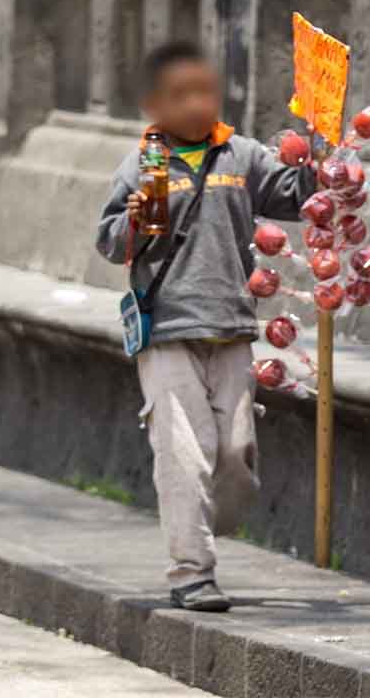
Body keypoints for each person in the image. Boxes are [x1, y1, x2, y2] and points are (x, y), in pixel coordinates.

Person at [95, 41, 318, 611]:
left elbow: (296, 198)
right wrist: (142, 215)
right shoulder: (144, 163)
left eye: (205, 92)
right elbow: (109, 240)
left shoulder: (241, 156)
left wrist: (323, 155)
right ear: (154, 105)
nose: (196, 104)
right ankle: (191, 570)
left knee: (237, 454)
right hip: (168, 327)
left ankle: (198, 523)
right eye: (180, 95)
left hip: (232, 325)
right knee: (184, 454)